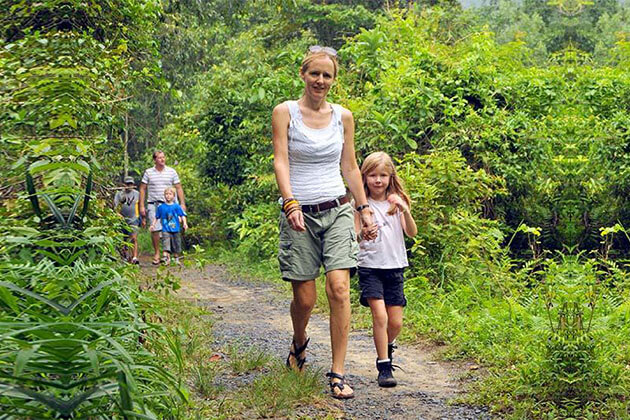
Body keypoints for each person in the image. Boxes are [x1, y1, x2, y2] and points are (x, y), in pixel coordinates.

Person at [272, 45, 377, 399]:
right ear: (303, 74)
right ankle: (299, 341)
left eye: (327, 75)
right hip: (299, 211)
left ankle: (338, 372)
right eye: (314, 73)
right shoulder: (285, 112)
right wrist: (290, 202)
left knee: (340, 288)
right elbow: (281, 161)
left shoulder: (343, 116)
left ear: (334, 79)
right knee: (305, 299)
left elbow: (350, 165)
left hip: (337, 209)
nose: (320, 80)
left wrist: (363, 209)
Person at [353, 151, 418, 388]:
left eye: (383, 175)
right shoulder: (360, 205)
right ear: (364, 177)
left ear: (391, 177)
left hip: (395, 266)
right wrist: (363, 234)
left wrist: (405, 209)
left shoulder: (396, 202)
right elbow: (354, 237)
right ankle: (384, 366)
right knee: (379, 316)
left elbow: (412, 232)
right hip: (370, 266)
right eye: (372, 175)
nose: (378, 180)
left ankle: (386, 348)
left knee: (396, 323)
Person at [139, 150, 186, 265]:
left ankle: (170, 254)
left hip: (170, 206)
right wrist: (141, 205)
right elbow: (142, 188)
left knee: (170, 229)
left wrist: (182, 203)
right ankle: (157, 253)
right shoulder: (149, 172)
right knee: (155, 229)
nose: (162, 159)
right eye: (159, 158)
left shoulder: (171, 172)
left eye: (163, 157)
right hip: (154, 204)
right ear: (154, 160)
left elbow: (178, 187)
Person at [151, 187, 188, 265]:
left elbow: (182, 215)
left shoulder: (176, 206)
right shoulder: (161, 207)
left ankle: (176, 258)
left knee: (176, 243)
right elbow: (156, 217)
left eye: (170, 194)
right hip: (165, 229)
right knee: (166, 242)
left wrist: (185, 223)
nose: (168, 196)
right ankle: (165, 257)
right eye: (166, 194)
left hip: (176, 229)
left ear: (173, 196)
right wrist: (153, 225)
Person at [114, 176, 141, 264]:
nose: (129, 185)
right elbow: (115, 206)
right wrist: (118, 214)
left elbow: (140, 206)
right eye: (127, 184)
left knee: (134, 238)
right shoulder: (119, 194)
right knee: (124, 239)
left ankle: (134, 257)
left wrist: (142, 218)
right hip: (122, 219)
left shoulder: (137, 194)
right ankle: (125, 256)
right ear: (124, 184)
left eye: (131, 184)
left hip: (134, 219)